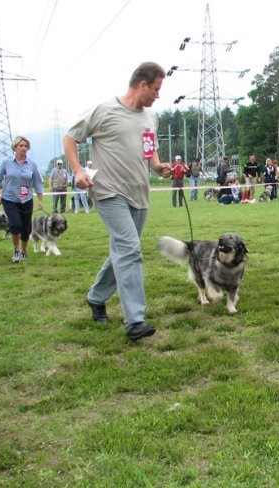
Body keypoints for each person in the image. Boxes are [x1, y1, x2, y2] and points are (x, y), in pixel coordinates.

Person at [63, 61, 172, 341]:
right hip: (108, 191)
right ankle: (135, 320)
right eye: (156, 89)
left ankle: (96, 297)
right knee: (130, 249)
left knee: (122, 251)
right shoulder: (104, 111)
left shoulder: (151, 117)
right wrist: (77, 171)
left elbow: (150, 148)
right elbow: (70, 137)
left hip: (139, 192)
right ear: (142, 84)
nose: (158, 95)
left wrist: (158, 165)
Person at [0, 136, 44, 263]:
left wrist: (40, 200)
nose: (23, 148)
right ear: (15, 147)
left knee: (26, 228)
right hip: (9, 198)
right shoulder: (6, 162)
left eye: (26, 146)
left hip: (26, 199)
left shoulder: (32, 164)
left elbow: (38, 183)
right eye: (21, 146)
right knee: (15, 224)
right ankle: (16, 250)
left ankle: (24, 251)